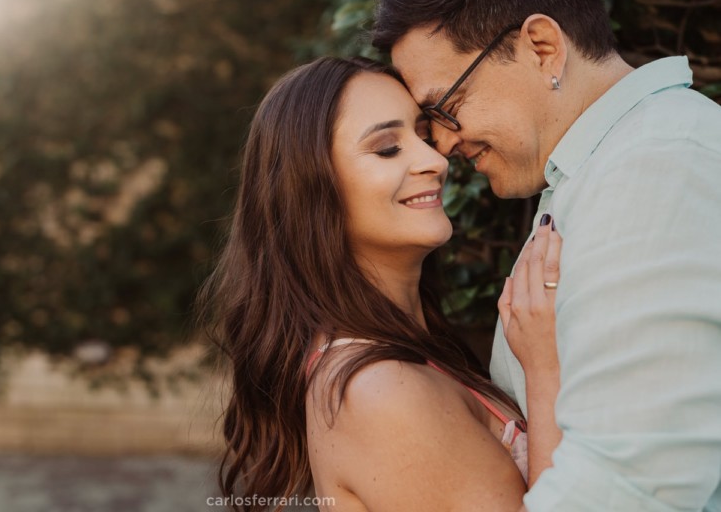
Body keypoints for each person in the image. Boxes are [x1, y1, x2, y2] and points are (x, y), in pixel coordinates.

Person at [372, 0, 721, 510]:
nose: (444, 145)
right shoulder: (601, 172)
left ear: (542, 47)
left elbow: (630, 488)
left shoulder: (656, 168)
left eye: (447, 108)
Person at [200, 56, 563, 511]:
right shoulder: (378, 390)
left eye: (426, 136)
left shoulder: (406, 356)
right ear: (313, 189)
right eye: (388, 148)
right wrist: (545, 374)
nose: (435, 160)